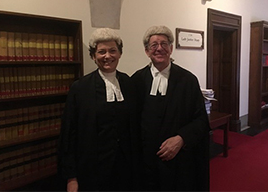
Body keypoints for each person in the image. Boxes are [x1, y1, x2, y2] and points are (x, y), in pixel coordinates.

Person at [131, 26, 209, 191]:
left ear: (171, 49)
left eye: (164, 44)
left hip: (180, 163)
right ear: (147, 51)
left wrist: (181, 138)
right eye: (154, 45)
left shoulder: (188, 80)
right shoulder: (136, 80)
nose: (159, 48)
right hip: (146, 163)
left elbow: (201, 120)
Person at [58, 28, 136, 191]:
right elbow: (69, 134)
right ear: (93, 56)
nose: (108, 56)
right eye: (102, 52)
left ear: (120, 54)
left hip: (125, 169)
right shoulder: (80, 88)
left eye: (113, 50)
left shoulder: (128, 83)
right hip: (92, 171)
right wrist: (71, 177)